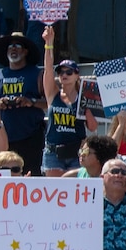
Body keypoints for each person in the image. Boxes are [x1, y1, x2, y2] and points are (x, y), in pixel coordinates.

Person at [0, 31, 48, 175]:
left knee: (31, 177)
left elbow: (50, 102)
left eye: (17, 45)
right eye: (10, 46)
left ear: (25, 51)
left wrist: (30, 102)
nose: (13, 49)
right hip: (3, 137)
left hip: (31, 137)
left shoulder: (37, 74)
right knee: (3, 177)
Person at [40, 28, 98, 176]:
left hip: (76, 152)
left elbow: (92, 127)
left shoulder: (84, 96)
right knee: (54, 192)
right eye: (61, 72)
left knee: (74, 192)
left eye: (69, 72)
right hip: (54, 152)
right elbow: (47, 69)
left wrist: (87, 110)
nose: (64, 75)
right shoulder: (54, 94)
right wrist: (49, 44)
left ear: (77, 75)